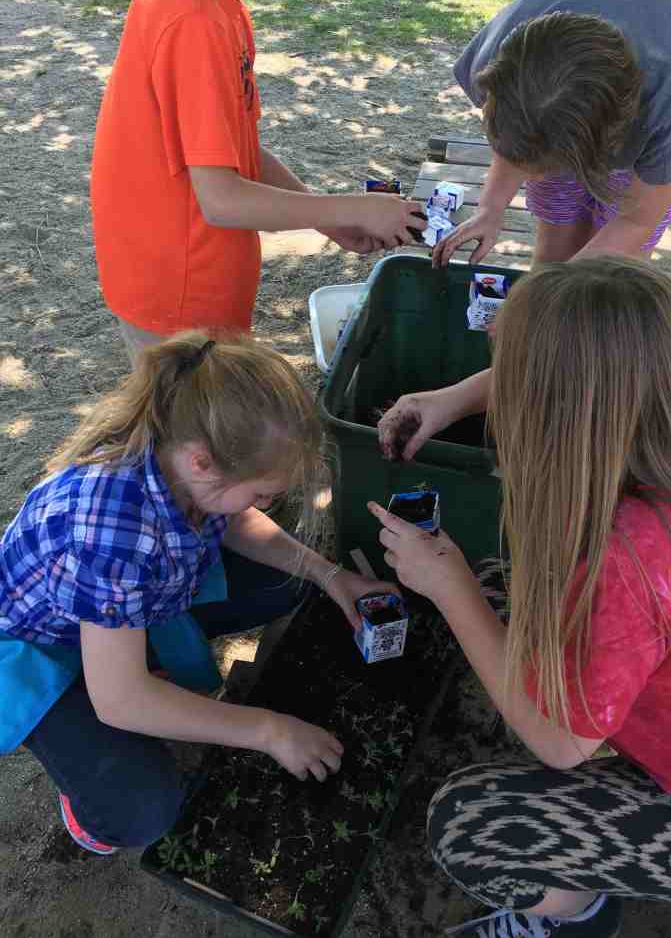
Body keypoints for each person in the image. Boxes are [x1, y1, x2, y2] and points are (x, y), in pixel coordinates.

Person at [370, 258, 671, 938]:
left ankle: (575, 914)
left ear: (559, 415)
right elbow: (578, 380)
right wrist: (452, 397)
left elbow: (559, 744)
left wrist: (449, 586)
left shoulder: (630, 563)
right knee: (515, 590)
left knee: (468, 826)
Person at [0, 333, 393, 854]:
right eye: (263, 493)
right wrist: (270, 730)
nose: (268, 503)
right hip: (40, 646)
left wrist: (330, 575)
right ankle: (87, 795)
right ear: (204, 462)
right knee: (142, 810)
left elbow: (231, 519)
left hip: (124, 606)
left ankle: (140, 657)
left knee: (289, 577)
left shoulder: (181, 456)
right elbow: (120, 700)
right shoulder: (112, 532)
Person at [91, 0, 426, 365]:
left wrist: (330, 223)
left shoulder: (218, 8)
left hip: (201, 299)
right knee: (194, 446)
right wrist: (354, 207)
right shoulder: (191, 21)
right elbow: (222, 197)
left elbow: (240, 151)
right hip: (179, 316)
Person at [432, 0, 671, 270]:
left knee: (617, 267)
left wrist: (557, 293)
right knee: (556, 239)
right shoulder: (500, 61)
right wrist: (491, 208)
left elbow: (636, 222)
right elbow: (515, 139)